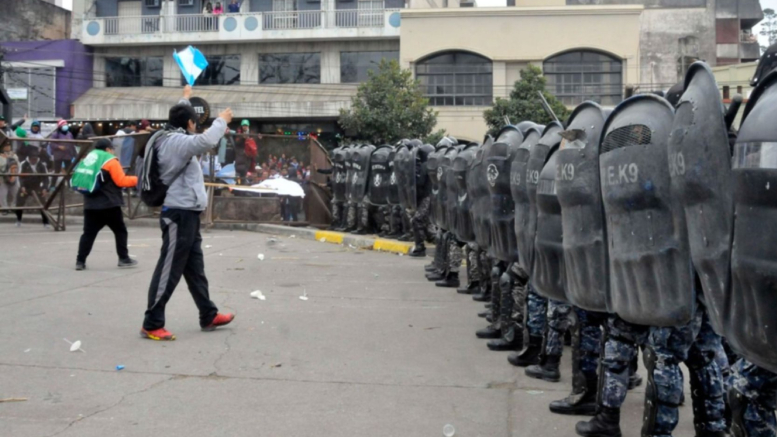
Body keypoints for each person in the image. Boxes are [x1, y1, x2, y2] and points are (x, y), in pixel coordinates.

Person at [141, 85, 235, 341]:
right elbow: (206, 140)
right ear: (190, 123)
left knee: (195, 269)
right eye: (195, 121)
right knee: (169, 268)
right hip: (179, 213)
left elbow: (181, 115)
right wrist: (221, 121)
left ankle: (208, 314)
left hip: (188, 213)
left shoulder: (169, 135)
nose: (197, 125)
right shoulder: (176, 142)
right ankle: (152, 323)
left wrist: (185, 96)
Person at [73, 139, 138, 271]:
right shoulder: (110, 160)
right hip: (109, 204)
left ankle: (80, 261)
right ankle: (123, 258)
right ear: (108, 149)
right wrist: (139, 180)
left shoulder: (88, 159)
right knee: (120, 231)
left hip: (90, 204)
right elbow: (121, 181)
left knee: (88, 234)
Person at [15, 148, 50, 228]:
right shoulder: (23, 164)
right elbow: (20, 177)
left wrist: (45, 188)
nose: (33, 160)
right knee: (19, 202)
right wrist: (22, 187)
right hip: (26, 186)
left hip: (37, 186)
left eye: (35, 159)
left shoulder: (42, 165)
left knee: (43, 204)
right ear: (29, 158)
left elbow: (46, 178)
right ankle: (18, 220)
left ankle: (46, 222)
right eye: (32, 159)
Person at [0, 142, 20, 215]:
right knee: (2, 194)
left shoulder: (14, 155)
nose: (8, 147)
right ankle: (4, 209)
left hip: (13, 176)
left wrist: (16, 175)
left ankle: (13, 207)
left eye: (9, 145)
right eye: (6, 145)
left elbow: (18, 165)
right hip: (3, 178)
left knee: (16, 193)